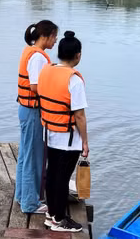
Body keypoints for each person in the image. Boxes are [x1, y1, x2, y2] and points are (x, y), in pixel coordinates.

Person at [38, 31, 88, 232]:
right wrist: (85, 142)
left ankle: (51, 214)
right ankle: (59, 219)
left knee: (52, 175)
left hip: (50, 132)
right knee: (62, 178)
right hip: (67, 138)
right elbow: (79, 116)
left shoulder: (47, 71)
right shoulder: (73, 80)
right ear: (78, 55)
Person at [14, 21, 58, 215]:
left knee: (25, 154)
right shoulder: (38, 57)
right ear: (46, 36)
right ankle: (30, 204)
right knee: (33, 156)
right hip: (32, 111)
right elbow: (34, 86)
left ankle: (22, 196)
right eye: (54, 36)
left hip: (25, 108)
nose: (55, 40)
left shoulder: (29, 51)